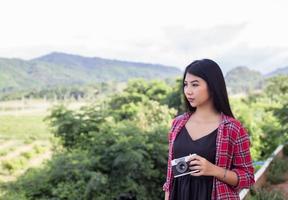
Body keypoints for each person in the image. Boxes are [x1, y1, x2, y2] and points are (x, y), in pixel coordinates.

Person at [163, 59, 255, 200]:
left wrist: (213, 170)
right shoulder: (178, 123)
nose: (188, 91)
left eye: (195, 85)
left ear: (212, 86)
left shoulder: (232, 128)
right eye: (185, 85)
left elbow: (248, 178)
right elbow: (171, 174)